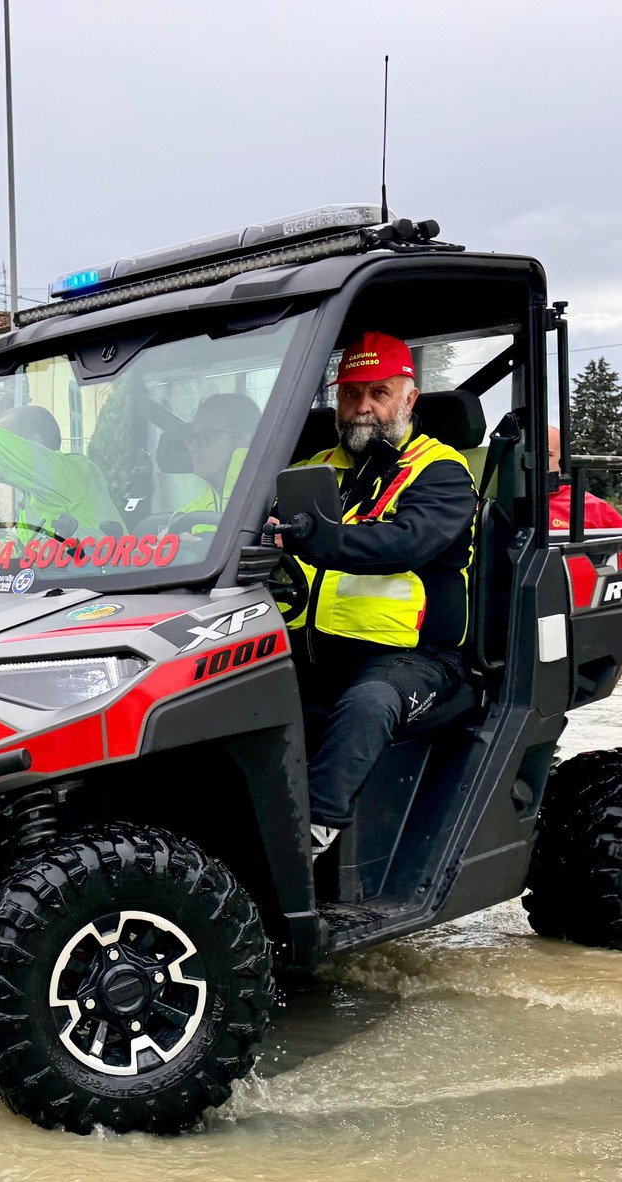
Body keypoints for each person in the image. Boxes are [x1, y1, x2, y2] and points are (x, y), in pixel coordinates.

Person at [271, 331, 479, 856]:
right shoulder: (309, 471)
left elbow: (406, 543)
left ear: (410, 398)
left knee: (368, 703)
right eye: (350, 393)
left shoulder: (442, 472)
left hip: (411, 659)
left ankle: (308, 839)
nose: (363, 407)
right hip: (307, 649)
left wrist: (318, 539)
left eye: (379, 393)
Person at [0, 403, 119, 540]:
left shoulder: (75, 472)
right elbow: (21, 549)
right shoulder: (31, 503)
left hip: (112, 576)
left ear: (35, 444)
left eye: (6, 437)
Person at [167, 392, 262, 533]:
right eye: (191, 436)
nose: (194, 445)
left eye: (208, 435)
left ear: (246, 438)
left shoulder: (279, 504)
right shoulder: (183, 517)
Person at [545, 427, 622, 531]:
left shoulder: (591, 507)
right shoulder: (520, 505)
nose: (536, 462)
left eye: (546, 455)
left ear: (562, 461)